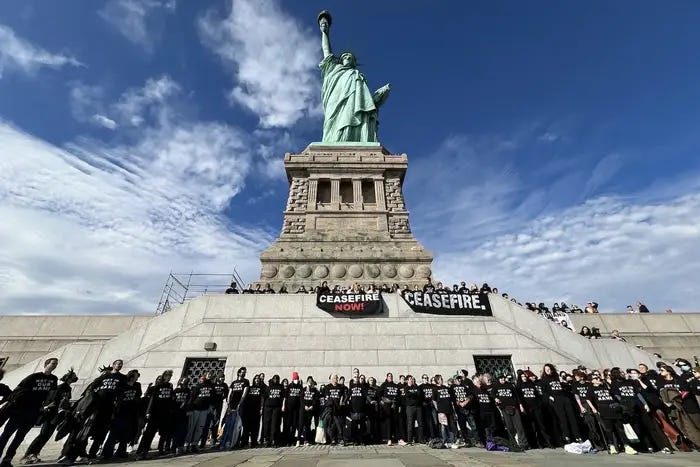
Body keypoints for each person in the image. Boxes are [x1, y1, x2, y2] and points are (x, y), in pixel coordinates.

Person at [0, 358, 58, 467]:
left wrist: (44, 406)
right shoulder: (34, 377)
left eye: (56, 364)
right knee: (6, 435)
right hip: (20, 411)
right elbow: (17, 391)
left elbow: (51, 394)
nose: (54, 366)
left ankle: (7, 460)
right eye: (53, 363)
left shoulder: (54, 379)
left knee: (19, 437)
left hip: (33, 412)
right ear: (46, 364)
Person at [21, 368, 77, 464]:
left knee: (47, 435)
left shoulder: (68, 388)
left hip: (59, 414)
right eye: (73, 376)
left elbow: (66, 401)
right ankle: (29, 454)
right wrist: (50, 406)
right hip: (51, 413)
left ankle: (35, 453)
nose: (75, 378)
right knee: (43, 435)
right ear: (69, 378)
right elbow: (52, 399)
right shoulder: (59, 387)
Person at [586, 373, 638, 455]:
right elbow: (588, 399)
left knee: (620, 428)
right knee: (609, 429)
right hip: (604, 409)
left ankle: (627, 446)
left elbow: (613, 393)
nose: (598, 379)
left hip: (614, 408)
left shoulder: (606, 386)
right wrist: (593, 409)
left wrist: (606, 381)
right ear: (592, 381)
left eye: (599, 378)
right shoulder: (591, 389)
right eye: (596, 378)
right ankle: (612, 446)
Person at [98, 369, 142, 460]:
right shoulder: (123, 384)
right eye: (136, 375)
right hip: (121, 410)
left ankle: (121, 451)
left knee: (126, 433)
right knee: (114, 432)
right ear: (132, 376)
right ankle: (107, 452)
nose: (137, 377)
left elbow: (139, 395)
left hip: (131, 411)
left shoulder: (137, 385)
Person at [136, 370, 175, 459]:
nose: (169, 377)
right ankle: (142, 451)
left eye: (170, 376)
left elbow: (171, 398)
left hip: (165, 413)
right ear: (164, 376)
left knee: (164, 433)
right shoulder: (157, 387)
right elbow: (152, 399)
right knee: (149, 433)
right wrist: (148, 412)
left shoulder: (170, 386)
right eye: (168, 376)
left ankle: (161, 449)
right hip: (155, 413)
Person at [540, 363, 580, 444]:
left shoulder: (557, 377)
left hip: (564, 398)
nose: (548, 371)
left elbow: (565, 386)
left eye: (549, 369)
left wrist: (564, 381)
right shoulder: (544, 379)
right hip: (556, 400)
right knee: (563, 419)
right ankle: (567, 437)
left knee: (572, 417)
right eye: (546, 370)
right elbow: (544, 392)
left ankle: (577, 437)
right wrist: (550, 397)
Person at [491, 371, 528, 449]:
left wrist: (520, 405)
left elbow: (517, 396)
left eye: (503, 378)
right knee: (509, 427)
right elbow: (492, 394)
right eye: (500, 378)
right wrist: (496, 398)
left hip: (514, 407)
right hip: (504, 408)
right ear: (498, 379)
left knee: (519, 426)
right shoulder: (496, 386)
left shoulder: (510, 385)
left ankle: (523, 444)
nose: (502, 380)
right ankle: (513, 443)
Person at [184, 371, 215, 453]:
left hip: (204, 410)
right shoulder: (198, 386)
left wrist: (210, 406)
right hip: (196, 409)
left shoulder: (212, 386)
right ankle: (187, 444)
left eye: (211, 375)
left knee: (200, 428)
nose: (210, 375)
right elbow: (192, 397)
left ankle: (194, 444)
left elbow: (212, 397)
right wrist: (189, 409)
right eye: (208, 374)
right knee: (191, 427)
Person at [321, 374, 346, 446]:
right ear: (331, 379)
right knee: (330, 425)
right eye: (335, 378)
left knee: (339, 424)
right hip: (330, 410)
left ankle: (340, 439)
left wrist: (342, 402)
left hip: (338, 409)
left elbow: (343, 396)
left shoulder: (341, 387)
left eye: (337, 378)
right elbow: (326, 398)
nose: (336, 379)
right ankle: (333, 439)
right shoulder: (327, 387)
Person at [262, 375, 284, 447]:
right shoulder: (269, 387)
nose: (276, 380)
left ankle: (274, 440)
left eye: (277, 379)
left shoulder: (281, 387)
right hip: (268, 407)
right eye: (275, 378)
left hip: (277, 407)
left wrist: (282, 406)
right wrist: (262, 408)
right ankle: (267, 440)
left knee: (275, 424)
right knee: (267, 424)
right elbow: (264, 397)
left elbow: (283, 397)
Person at [377, 373, 399, 445]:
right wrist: (381, 401)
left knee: (395, 421)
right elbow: (379, 393)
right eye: (389, 376)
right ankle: (389, 439)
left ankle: (395, 438)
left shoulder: (396, 386)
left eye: (391, 376)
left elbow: (398, 395)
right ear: (387, 377)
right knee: (388, 421)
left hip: (394, 405)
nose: (390, 377)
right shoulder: (384, 385)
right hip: (387, 406)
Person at [242, 375, 263, 447]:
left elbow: (262, 399)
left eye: (258, 379)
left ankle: (254, 442)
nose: (257, 380)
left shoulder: (261, 388)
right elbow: (245, 397)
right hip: (249, 409)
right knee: (246, 427)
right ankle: (244, 442)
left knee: (255, 426)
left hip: (256, 409)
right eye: (256, 379)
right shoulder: (250, 388)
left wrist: (261, 408)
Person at [171, 378, 191, 455]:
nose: (185, 382)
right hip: (176, 413)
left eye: (187, 381)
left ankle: (180, 447)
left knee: (183, 431)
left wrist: (188, 409)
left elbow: (189, 400)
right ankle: (173, 448)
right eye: (184, 380)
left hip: (184, 413)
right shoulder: (176, 390)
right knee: (176, 432)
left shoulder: (188, 391)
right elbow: (172, 401)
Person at [347, 368, 367, 445]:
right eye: (355, 374)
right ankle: (355, 440)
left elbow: (365, 394)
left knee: (362, 425)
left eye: (357, 373)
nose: (356, 375)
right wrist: (344, 402)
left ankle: (361, 440)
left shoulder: (362, 385)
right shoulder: (351, 385)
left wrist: (370, 400)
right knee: (354, 425)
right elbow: (348, 395)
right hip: (353, 408)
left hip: (361, 407)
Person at [402, 375, 423, 445]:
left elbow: (419, 395)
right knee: (410, 424)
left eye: (412, 379)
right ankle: (409, 440)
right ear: (407, 380)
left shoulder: (417, 387)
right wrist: (414, 394)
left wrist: (414, 394)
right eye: (410, 379)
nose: (411, 380)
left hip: (418, 407)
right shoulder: (406, 388)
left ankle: (420, 439)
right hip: (410, 408)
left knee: (420, 423)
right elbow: (408, 394)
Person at [285, 372, 303, 446]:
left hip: (297, 409)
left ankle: (292, 440)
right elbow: (285, 397)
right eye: (295, 378)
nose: (296, 380)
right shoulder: (289, 386)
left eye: (297, 378)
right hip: (289, 409)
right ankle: (287, 440)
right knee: (288, 424)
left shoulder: (300, 387)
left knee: (294, 425)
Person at [301, 377, 319, 445]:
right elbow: (302, 399)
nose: (310, 383)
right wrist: (304, 406)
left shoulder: (314, 390)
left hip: (311, 409)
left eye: (311, 381)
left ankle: (312, 439)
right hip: (305, 410)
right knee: (306, 425)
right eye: (309, 381)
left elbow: (315, 399)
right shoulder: (304, 390)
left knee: (310, 424)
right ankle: (306, 439)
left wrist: (312, 406)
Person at [418, 374, 436, 442]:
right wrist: (422, 402)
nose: (426, 379)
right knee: (426, 422)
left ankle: (433, 436)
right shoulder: (420, 387)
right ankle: (427, 436)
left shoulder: (432, 386)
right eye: (424, 378)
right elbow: (419, 397)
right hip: (424, 407)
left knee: (434, 422)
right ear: (422, 379)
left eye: (426, 378)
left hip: (432, 406)